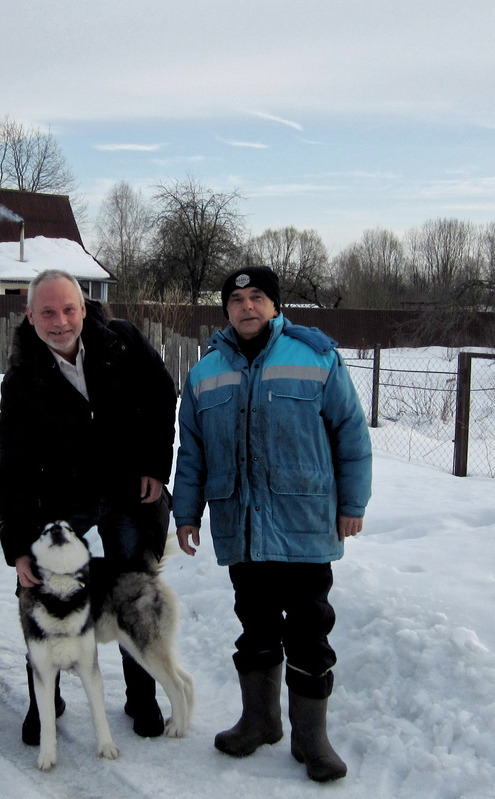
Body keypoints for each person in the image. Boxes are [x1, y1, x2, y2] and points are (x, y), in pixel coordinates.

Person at [172, 265, 372, 782]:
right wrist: (186, 513)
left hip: (304, 526)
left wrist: (353, 503)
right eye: (236, 299)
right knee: (255, 627)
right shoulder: (204, 372)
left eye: (257, 296)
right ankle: (260, 721)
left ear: (275, 304)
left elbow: (350, 433)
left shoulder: (316, 357)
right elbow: (191, 452)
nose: (246, 306)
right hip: (241, 527)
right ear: (226, 309)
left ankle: (312, 739)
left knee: (309, 632)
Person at [0, 269, 177, 746]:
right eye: (49, 312)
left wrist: (156, 467)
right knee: (41, 593)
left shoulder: (120, 343)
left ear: (84, 306)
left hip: (123, 492)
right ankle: (44, 698)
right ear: (30, 315)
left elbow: (162, 397)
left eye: (69, 309)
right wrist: (19, 548)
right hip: (61, 505)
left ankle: (142, 697)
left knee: (132, 591)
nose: (61, 322)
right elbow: (13, 469)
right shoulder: (21, 380)